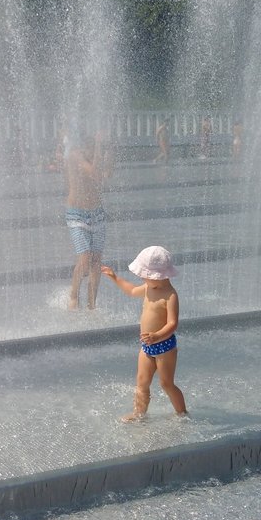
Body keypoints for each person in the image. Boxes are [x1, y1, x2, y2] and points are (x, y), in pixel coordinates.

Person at [101, 246, 187, 422]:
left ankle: (182, 414)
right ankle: (139, 414)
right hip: (147, 346)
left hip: (165, 347)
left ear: (157, 275)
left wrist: (157, 336)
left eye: (144, 275)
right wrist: (115, 277)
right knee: (142, 382)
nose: (141, 278)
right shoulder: (149, 288)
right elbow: (132, 291)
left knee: (166, 383)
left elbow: (173, 323)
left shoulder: (170, 296)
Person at [65, 132, 113, 310]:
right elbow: (94, 173)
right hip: (77, 215)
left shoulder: (95, 157)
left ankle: (92, 302)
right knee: (84, 258)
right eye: (91, 148)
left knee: (96, 260)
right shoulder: (75, 155)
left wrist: (111, 153)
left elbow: (106, 174)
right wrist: (100, 149)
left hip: (97, 214)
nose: (92, 152)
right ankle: (73, 295)